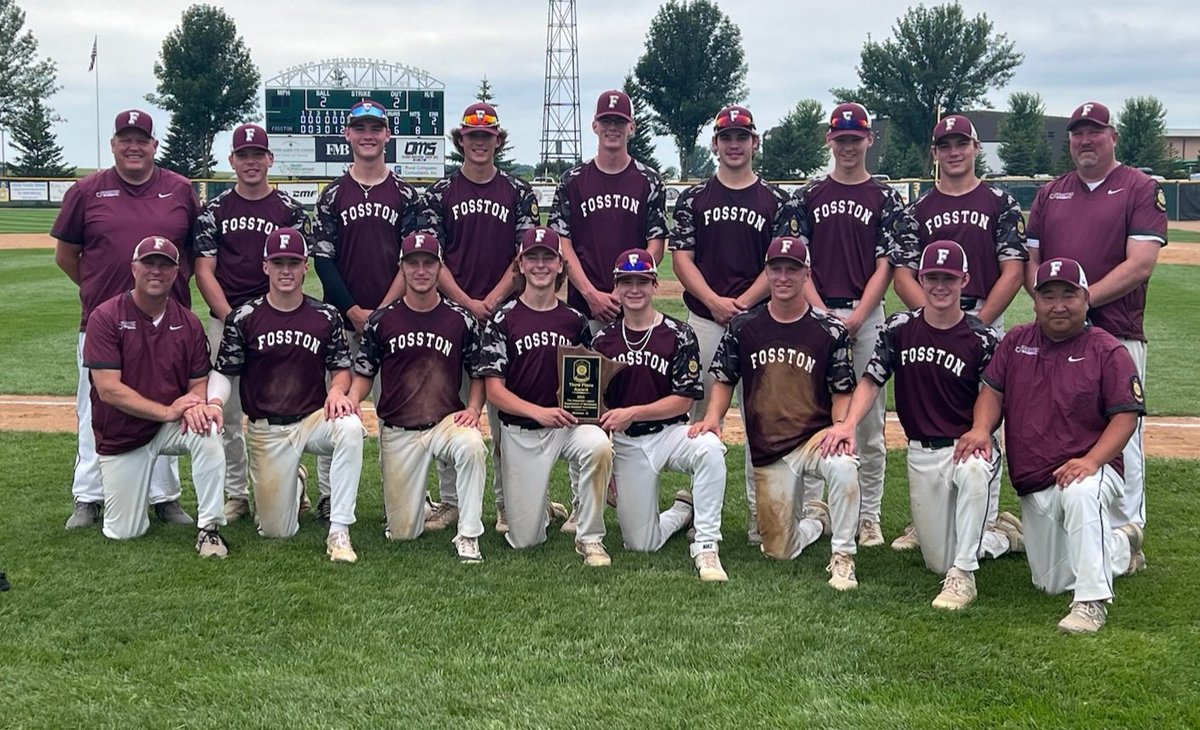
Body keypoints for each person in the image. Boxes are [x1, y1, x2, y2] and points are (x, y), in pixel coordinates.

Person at [821, 241, 1023, 610]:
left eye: (948, 278)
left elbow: (992, 393)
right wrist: (848, 424)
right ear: (921, 279)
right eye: (932, 277)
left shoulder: (983, 337)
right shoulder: (899, 328)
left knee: (976, 477)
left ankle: (963, 577)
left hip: (966, 447)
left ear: (964, 279)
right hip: (921, 452)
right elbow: (871, 380)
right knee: (936, 562)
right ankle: (1004, 537)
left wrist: (981, 430)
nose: (940, 286)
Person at [956, 257, 1146, 634]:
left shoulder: (1107, 350)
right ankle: (1122, 548)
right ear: (1035, 302)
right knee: (1051, 582)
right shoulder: (1016, 342)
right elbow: (992, 392)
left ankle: (1091, 603)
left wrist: (1092, 461)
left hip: (1088, 469)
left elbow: (1125, 417)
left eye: (1068, 295)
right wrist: (980, 428)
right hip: (1035, 479)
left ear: (1086, 298)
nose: (1058, 305)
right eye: (1048, 296)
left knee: (1081, 493)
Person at [774, 102, 919, 548]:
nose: (849, 146)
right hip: (813, 313)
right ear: (829, 140)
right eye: (841, 139)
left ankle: (868, 515)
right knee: (811, 414)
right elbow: (798, 264)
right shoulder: (806, 196)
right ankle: (817, 505)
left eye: (856, 139)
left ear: (869, 140)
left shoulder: (885, 197)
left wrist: (857, 316)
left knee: (868, 423)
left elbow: (887, 265)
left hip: (866, 313)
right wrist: (821, 313)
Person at [53, 109, 199, 530]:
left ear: (154, 145)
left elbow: (192, 253)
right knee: (94, 409)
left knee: (170, 405)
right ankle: (88, 495)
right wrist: (101, 296)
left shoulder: (180, 189)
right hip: (103, 325)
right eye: (125, 139)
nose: (133, 146)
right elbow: (66, 254)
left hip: (167, 326)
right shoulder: (87, 190)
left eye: (142, 139)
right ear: (113, 144)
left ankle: (165, 497)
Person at [888, 114, 1028, 552]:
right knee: (932, 412)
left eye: (961, 144)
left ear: (974, 148)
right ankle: (927, 520)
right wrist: (933, 317)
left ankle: (983, 521)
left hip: (983, 317)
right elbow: (903, 275)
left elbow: (1013, 270)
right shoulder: (918, 210)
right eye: (945, 145)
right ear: (935, 153)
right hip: (930, 322)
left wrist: (976, 323)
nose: (953, 151)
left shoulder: (999, 201)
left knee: (985, 418)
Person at [1026, 101, 1167, 532]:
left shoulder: (1139, 187)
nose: (1085, 141)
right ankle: (1069, 522)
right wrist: (1049, 306)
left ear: (1113, 136)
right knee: (1059, 424)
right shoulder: (1051, 193)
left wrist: (1082, 302)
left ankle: (1126, 530)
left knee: (1122, 430)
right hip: (1059, 336)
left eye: (1095, 132)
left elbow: (1140, 264)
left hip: (1117, 330)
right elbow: (1031, 262)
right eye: (1077, 134)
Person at [691, 237, 862, 590]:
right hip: (771, 448)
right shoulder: (744, 327)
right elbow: (724, 377)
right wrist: (712, 417)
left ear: (806, 275)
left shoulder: (829, 330)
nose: (784, 276)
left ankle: (844, 556)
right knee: (778, 551)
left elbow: (842, 389)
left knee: (845, 465)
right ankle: (816, 520)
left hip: (815, 438)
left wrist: (842, 427)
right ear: (766, 273)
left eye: (792, 269)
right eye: (776, 269)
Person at [417, 101, 541, 534]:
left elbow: (526, 255)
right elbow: (431, 258)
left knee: (507, 413)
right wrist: (469, 301)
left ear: (498, 141)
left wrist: (492, 298)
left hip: (508, 313)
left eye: (487, 136)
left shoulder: (518, 192)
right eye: (473, 136)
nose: (480, 143)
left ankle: (510, 503)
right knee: (450, 406)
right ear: (461, 141)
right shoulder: (440, 194)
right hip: (452, 311)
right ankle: (450, 501)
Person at [669, 104, 789, 546]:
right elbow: (681, 258)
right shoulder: (695, 197)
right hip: (705, 319)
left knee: (763, 415)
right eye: (726, 137)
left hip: (760, 322)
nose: (734, 144)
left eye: (742, 136)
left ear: (755, 142)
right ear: (715, 145)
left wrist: (744, 302)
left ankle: (763, 515)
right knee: (701, 416)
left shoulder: (776, 200)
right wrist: (715, 302)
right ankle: (701, 508)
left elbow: (781, 264)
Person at [548, 88, 667, 530]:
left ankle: (635, 484)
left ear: (630, 128)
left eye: (621, 122)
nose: (613, 129)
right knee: (584, 404)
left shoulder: (647, 180)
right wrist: (593, 293)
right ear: (595, 127)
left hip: (631, 306)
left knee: (630, 396)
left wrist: (629, 289)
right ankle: (583, 501)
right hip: (585, 307)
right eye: (606, 122)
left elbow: (655, 240)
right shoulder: (574, 180)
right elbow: (563, 243)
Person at [209, 228, 364, 562]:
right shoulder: (244, 317)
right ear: (265, 266)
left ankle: (339, 530)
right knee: (276, 531)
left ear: (305, 266)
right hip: (268, 427)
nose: (285, 270)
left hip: (312, 419)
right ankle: (295, 481)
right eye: (278, 262)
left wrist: (338, 391)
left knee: (350, 426)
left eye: (293, 262)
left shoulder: (325, 315)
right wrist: (214, 402)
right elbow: (225, 371)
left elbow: (340, 368)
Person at [475, 227, 615, 566]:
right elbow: (494, 391)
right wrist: (540, 412)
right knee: (525, 540)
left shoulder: (575, 320)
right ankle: (541, 507)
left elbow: (590, 386)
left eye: (548, 258)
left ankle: (590, 536)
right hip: (522, 430)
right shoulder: (502, 319)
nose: (540, 265)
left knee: (597, 443)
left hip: (566, 428)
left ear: (559, 265)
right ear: (520, 265)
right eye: (532, 258)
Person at [82, 236, 228, 557]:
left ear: (176, 273)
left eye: (165, 265)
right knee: (124, 533)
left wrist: (194, 405)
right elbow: (108, 389)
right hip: (124, 432)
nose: (156, 271)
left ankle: (209, 529)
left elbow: (198, 381)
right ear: (134, 268)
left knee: (209, 429)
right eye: (149, 263)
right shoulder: (105, 317)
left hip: (169, 426)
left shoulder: (187, 321)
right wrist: (167, 411)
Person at [194, 123, 311, 523]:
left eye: (257, 154)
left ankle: (292, 480)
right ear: (232, 161)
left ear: (269, 159)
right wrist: (232, 319)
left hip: (279, 323)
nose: (250, 162)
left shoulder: (289, 211)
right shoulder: (215, 210)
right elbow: (204, 270)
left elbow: (294, 271)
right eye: (243, 155)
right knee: (227, 414)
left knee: (284, 406)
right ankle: (237, 492)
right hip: (225, 322)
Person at [350, 232, 489, 563]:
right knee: (402, 533)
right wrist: (353, 400)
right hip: (400, 430)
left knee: (472, 445)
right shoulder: (382, 321)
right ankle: (418, 503)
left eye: (429, 263)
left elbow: (478, 372)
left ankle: (468, 534)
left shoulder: (460, 318)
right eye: (413, 264)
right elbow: (365, 373)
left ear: (440, 268)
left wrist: (473, 408)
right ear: (402, 268)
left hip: (445, 423)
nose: (421, 271)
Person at [312, 98, 421, 521]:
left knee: (397, 411)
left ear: (387, 135)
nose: (368, 135)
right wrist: (355, 309)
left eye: (376, 127)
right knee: (336, 407)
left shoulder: (408, 195)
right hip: (341, 323)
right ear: (348, 135)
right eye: (360, 128)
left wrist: (381, 310)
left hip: (394, 322)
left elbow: (414, 263)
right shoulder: (332, 195)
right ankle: (327, 493)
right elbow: (323, 260)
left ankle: (403, 492)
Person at [592, 249, 728, 581]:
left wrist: (633, 412)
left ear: (655, 285)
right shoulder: (601, 340)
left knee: (710, 448)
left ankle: (707, 546)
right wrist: (606, 460)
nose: (634, 289)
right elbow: (597, 408)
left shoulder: (679, 334)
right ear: (616, 287)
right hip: (627, 444)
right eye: (626, 282)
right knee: (641, 544)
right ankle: (682, 512)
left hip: (671, 433)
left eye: (642, 281)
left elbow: (683, 401)